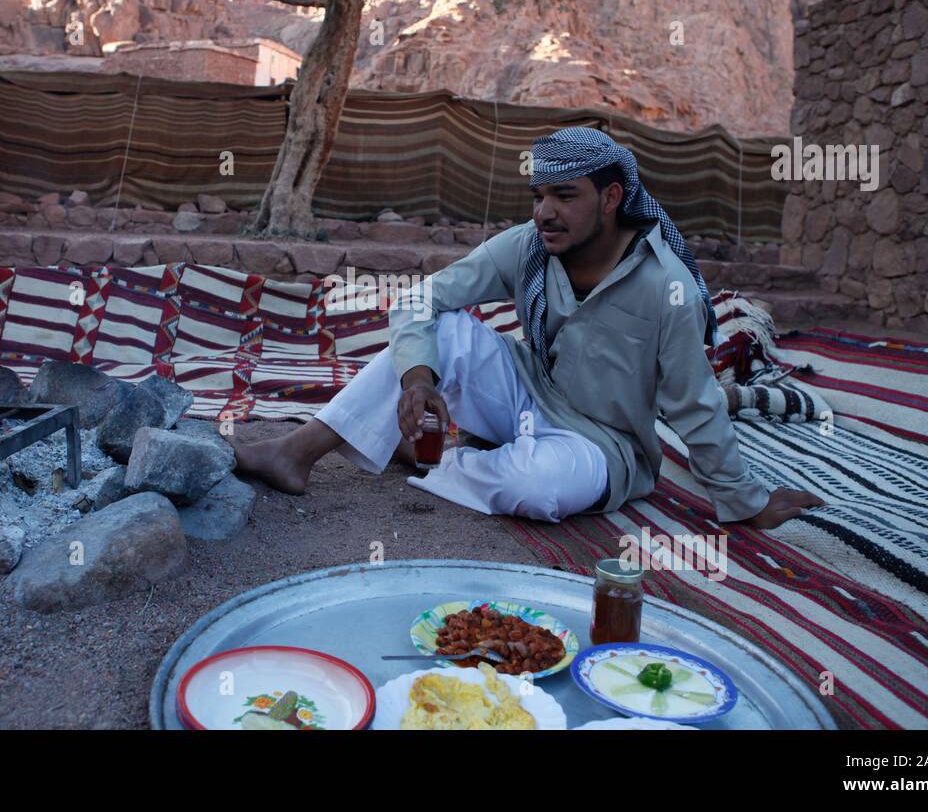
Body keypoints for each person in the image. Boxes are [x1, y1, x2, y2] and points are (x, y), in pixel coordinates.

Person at [234, 126, 825, 529]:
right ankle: (297, 451)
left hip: (600, 443)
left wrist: (744, 502)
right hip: (525, 389)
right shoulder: (529, 246)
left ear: (612, 197)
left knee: (542, 489)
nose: (544, 211)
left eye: (564, 196)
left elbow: (695, 406)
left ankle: (433, 460)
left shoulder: (664, 287)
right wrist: (418, 377)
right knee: (442, 334)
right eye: (539, 195)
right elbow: (422, 298)